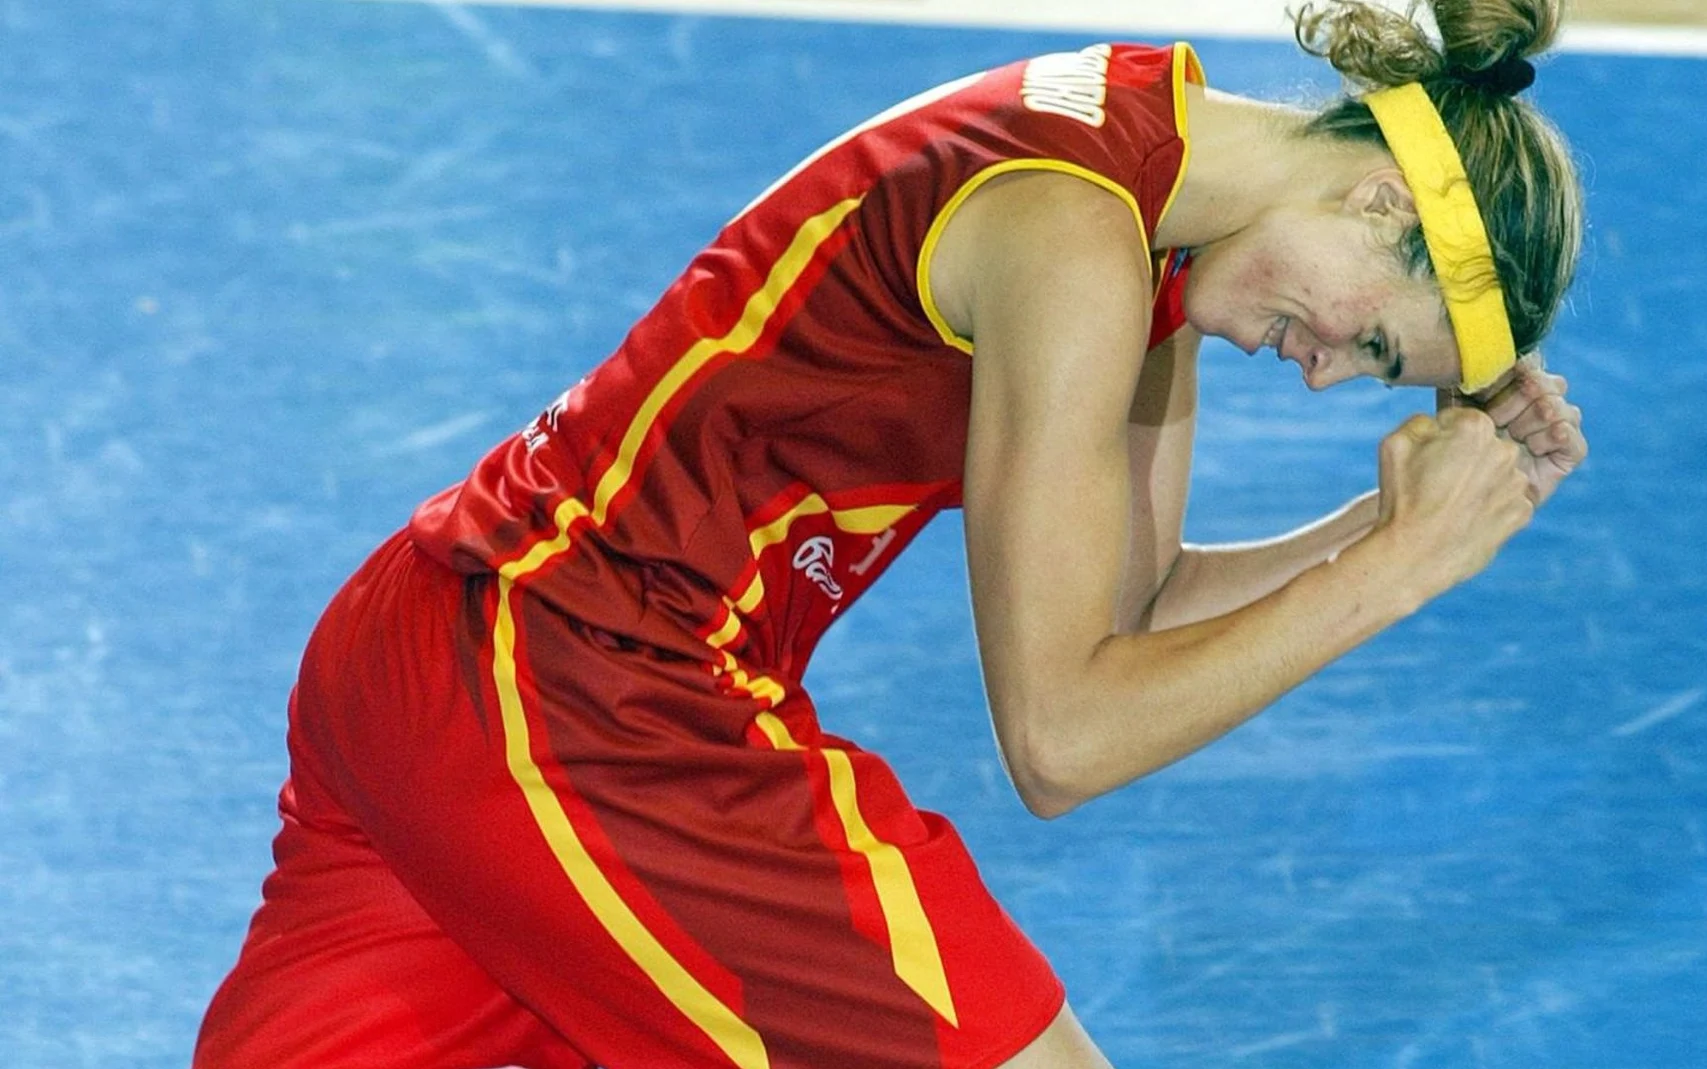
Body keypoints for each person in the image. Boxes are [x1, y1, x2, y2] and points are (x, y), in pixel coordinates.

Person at [196, 0, 1587, 1064]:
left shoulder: (1144, 167)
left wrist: (1381, 522)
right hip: (583, 704)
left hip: (438, 652)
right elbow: (1064, 740)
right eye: (1374, 344)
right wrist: (1401, 571)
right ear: (1377, 201)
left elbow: (1141, 607)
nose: (1326, 376)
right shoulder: (1071, 242)